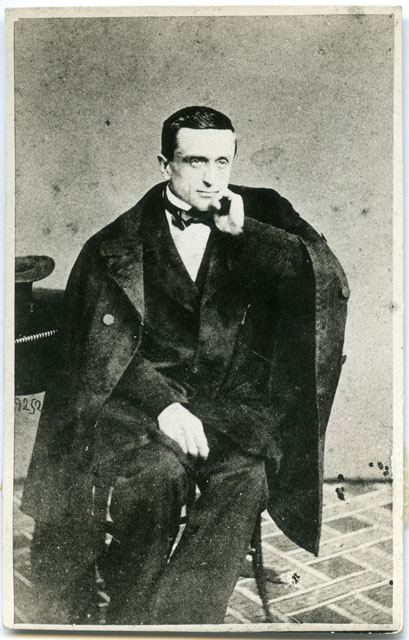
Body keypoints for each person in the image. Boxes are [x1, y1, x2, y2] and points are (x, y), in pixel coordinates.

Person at [21, 106, 349, 625]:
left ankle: (179, 624)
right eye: (196, 161)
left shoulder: (262, 215)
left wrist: (248, 234)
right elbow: (97, 351)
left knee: (246, 476)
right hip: (142, 408)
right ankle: (132, 613)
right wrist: (164, 405)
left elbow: (323, 282)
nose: (212, 177)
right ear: (165, 164)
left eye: (222, 161)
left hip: (229, 406)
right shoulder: (115, 245)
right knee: (156, 477)